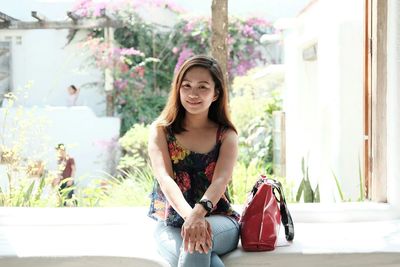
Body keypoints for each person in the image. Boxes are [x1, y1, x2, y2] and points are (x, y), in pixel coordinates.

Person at [148, 55, 240, 267]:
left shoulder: (226, 135)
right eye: (186, 85)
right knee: (198, 251)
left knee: (194, 245)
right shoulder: (161, 130)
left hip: (219, 221)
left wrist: (198, 215)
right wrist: (191, 218)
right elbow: (165, 179)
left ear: (216, 93)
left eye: (202, 87)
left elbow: (220, 180)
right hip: (170, 224)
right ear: (178, 89)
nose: (192, 94)